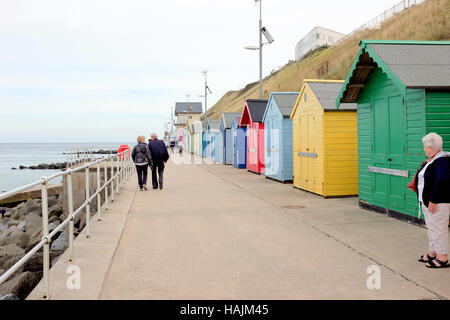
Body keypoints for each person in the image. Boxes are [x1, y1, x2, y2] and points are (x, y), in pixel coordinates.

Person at [407, 132, 450, 269]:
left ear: (430, 148)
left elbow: (443, 181)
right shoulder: (432, 160)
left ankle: (442, 257)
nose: (423, 149)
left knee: (438, 229)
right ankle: (433, 252)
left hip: (437, 202)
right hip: (428, 201)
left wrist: (433, 200)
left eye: (424, 146)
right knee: (431, 228)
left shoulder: (442, 161)